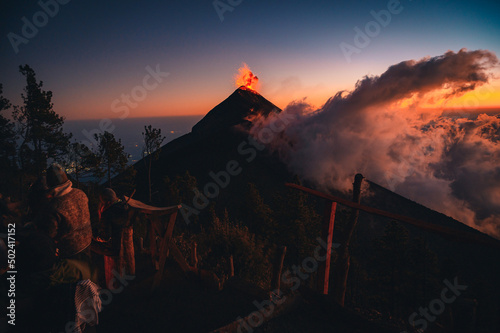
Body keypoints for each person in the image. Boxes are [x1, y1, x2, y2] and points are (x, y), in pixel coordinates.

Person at [91, 188, 135, 288]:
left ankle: (96, 278)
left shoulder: (107, 214)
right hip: (123, 243)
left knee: (90, 245)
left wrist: (93, 236)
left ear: (107, 202)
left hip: (113, 249)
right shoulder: (125, 206)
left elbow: (105, 238)